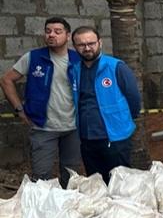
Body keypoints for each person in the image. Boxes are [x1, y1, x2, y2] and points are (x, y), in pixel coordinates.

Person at [1, 16, 83, 187]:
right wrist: (19, 109)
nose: (51, 35)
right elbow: (6, 80)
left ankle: (67, 208)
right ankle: (42, 211)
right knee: (41, 176)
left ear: (67, 36)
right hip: (42, 127)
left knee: (72, 174)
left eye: (57, 32)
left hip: (73, 128)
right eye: (48, 31)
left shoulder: (79, 60)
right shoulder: (33, 58)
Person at [69, 26, 141, 184]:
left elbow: (133, 97)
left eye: (91, 43)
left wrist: (124, 121)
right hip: (87, 137)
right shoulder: (74, 70)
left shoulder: (116, 67)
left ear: (100, 43)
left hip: (114, 136)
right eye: (81, 45)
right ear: (74, 47)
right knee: (95, 181)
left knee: (120, 181)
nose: (87, 48)